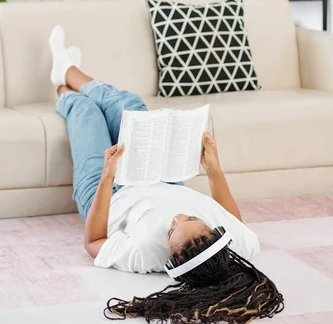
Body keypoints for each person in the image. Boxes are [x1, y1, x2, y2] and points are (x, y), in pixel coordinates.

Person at [50, 26, 284, 324]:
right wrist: (213, 169)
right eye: (190, 218)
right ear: (213, 232)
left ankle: (61, 84)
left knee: (85, 112)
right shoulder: (234, 243)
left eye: (172, 231)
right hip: (161, 176)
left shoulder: (145, 252)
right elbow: (233, 218)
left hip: (108, 192)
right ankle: (67, 70)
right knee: (129, 105)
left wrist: (108, 175)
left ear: (170, 257)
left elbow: (93, 240)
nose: (176, 218)